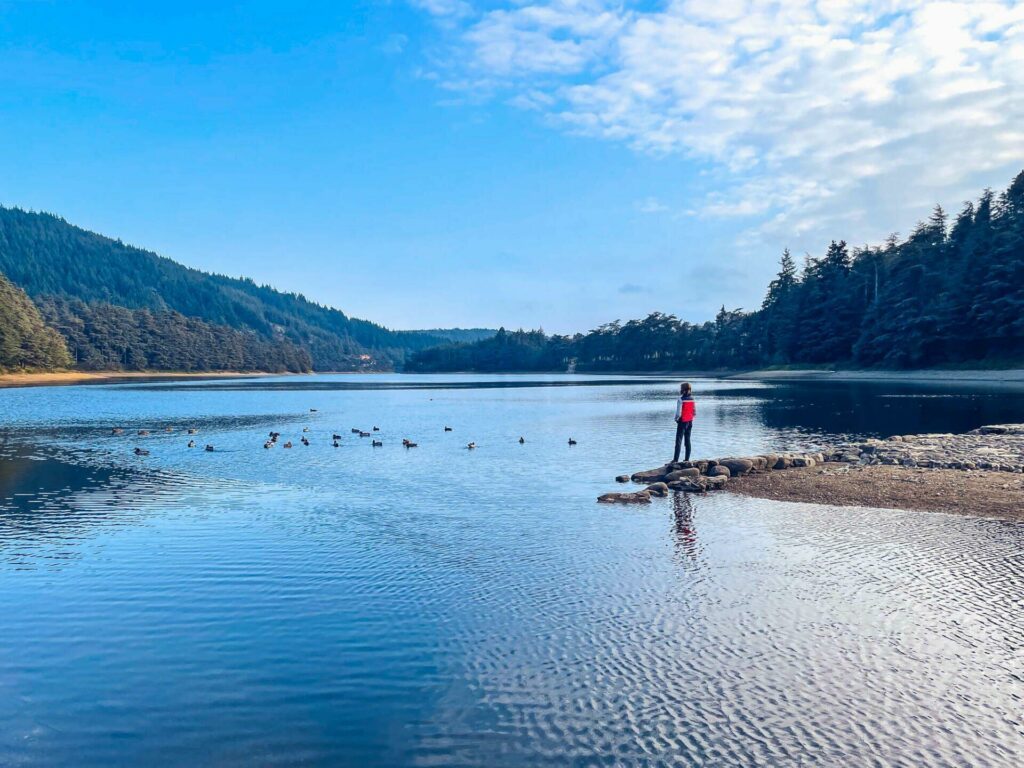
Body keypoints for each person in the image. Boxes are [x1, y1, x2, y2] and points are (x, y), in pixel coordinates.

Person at [673, 382, 695, 463]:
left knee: (678, 441)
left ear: (683, 389)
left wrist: (676, 419)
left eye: (681, 388)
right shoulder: (692, 399)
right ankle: (687, 459)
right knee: (687, 440)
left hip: (682, 421)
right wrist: (691, 418)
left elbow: (678, 413)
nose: (680, 389)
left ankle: (675, 460)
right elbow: (694, 411)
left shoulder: (680, 399)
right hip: (690, 421)